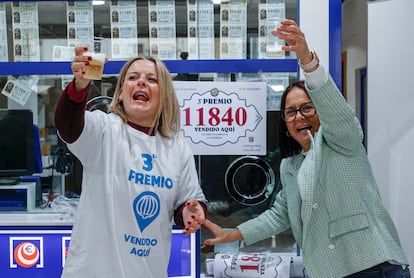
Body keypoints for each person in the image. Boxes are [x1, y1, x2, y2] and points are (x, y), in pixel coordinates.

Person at [203, 19, 411, 278]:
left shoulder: (341, 140)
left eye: (307, 107)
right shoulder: (289, 165)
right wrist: (231, 234)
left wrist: (306, 59)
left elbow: (337, 113)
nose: (299, 117)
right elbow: (279, 216)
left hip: (373, 266)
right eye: (291, 112)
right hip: (327, 272)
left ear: (320, 111)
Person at [54, 47, 208, 278]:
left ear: (164, 94)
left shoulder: (177, 147)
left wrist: (191, 213)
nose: (141, 83)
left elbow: (187, 201)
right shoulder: (105, 130)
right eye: (133, 78)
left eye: (152, 79)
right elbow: (68, 126)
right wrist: (79, 87)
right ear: (121, 91)